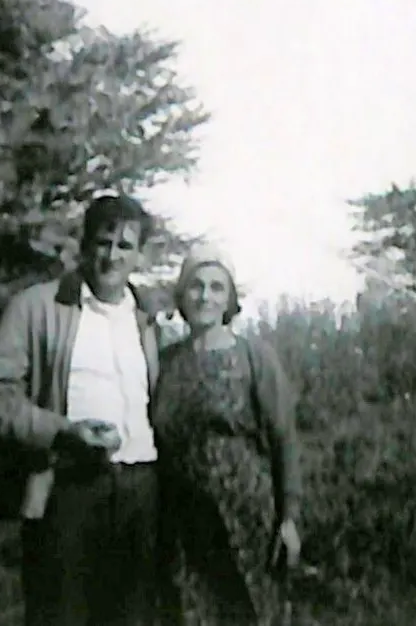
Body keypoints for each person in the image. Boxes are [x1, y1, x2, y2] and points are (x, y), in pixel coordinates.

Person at [0, 193, 163, 626]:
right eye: (103, 242)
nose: (111, 256)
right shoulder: (36, 307)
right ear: (84, 245)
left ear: (139, 255)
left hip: (140, 492)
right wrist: (63, 431)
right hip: (66, 488)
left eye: (124, 246)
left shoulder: (147, 319)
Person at [152, 243, 302, 626]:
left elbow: (283, 438)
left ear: (230, 298)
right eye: (196, 286)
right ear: (182, 295)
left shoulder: (255, 357)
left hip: (247, 520)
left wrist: (289, 519)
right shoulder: (164, 362)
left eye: (217, 287)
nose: (206, 296)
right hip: (184, 529)